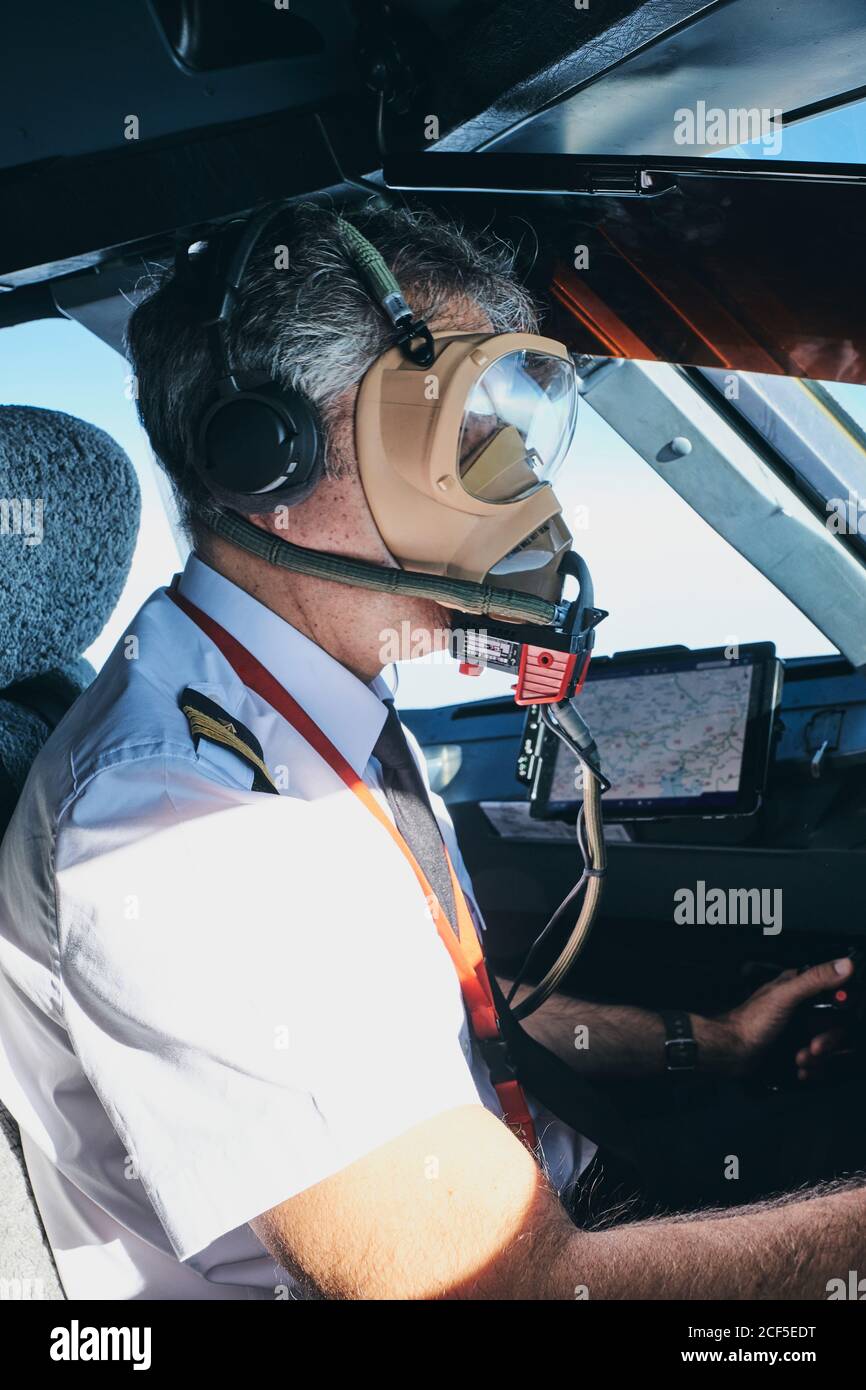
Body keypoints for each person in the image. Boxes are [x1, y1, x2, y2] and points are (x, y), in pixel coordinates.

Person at [0, 201, 863, 1301]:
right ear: (268, 456)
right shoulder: (175, 824)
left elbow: (446, 1013)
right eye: (463, 425)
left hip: (554, 1189)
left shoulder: (309, 702)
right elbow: (507, 1293)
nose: (514, 474)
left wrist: (716, 1040)